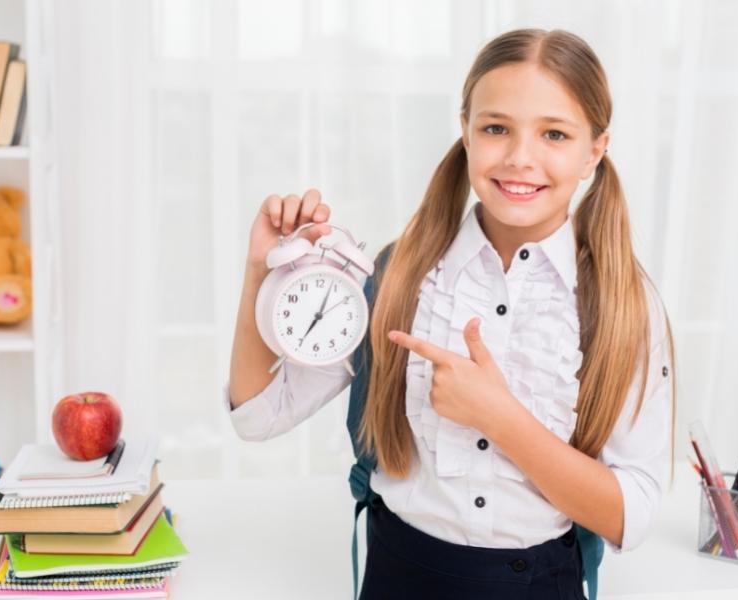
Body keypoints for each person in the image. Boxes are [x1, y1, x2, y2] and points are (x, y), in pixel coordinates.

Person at [226, 28, 676, 600]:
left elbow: (628, 515)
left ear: (594, 149)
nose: (519, 158)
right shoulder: (397, 275)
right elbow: (258, 415)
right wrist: (259, 274)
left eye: (554, 134)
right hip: (399, 576)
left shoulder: (624, 305)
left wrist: (498, 417)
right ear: (465, 131)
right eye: (496, 128)